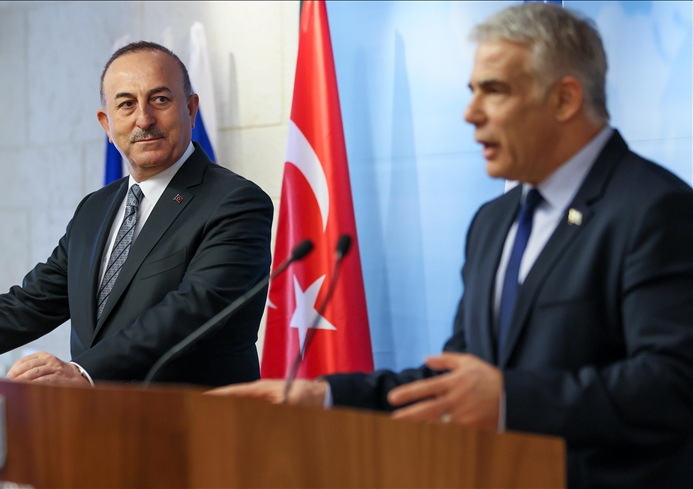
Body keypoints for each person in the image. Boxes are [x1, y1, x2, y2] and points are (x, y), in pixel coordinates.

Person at [211, 4, 693, 488]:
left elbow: (674, 383)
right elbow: (455, 385)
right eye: (472, 91)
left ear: (565, 99)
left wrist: (508, 401)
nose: (471, 113)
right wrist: (326, 396)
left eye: (495, 91)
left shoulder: (655, 209)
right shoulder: (492, 222)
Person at [0, 41, 274, 388]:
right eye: (126, 104)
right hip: (93, 435)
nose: (144, 118)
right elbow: (28, 306)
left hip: (198, 435)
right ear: (106, 124)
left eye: (160, 99)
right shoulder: (96, 209)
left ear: (190, 108)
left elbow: (192, 312)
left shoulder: (234, 202)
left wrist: (83, 372)